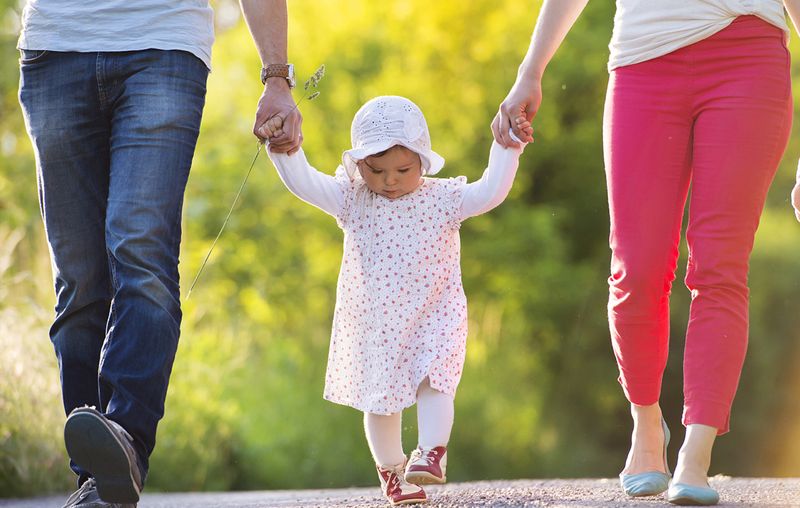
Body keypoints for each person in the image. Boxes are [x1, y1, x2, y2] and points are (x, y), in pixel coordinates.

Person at [493, 1, 800, 505]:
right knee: (636, 268)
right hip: (642, 61)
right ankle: (646, 423)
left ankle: (695, 456)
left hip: (748, 57)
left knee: (720, 266)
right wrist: (531, 71)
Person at [17, 1, 301, 506]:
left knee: (140, 248)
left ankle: (124, 437)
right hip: (55, 47)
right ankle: (96, 479)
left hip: (164, 45)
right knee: (78, 280)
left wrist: (276, 76)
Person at [265, 95, 529, 506]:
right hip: (376, 322)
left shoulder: (442, 199)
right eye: (376, 170)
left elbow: (491, 191)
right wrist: (286, 153)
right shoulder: (353, 199)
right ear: (359, 165)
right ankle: (392, 473)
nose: (389, 180)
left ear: (422, 161)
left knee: (435, 378)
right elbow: (307, 183)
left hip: (434, 313)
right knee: (380, 398)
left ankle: (431, 452)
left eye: (403, 169)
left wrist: (507, 146)